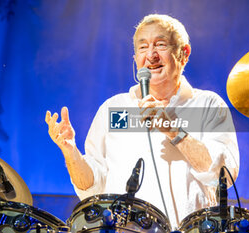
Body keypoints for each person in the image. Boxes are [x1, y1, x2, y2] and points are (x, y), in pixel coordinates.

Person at [45, 14, 239, 229]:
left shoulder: (207, 104)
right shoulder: (114, 108)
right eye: (143, 47)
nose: (151, 55)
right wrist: (70, 152)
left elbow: (224, 176)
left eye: (160, 45)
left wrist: (174, 131)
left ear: (184, 53)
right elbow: (91, 188)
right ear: (135, 58)